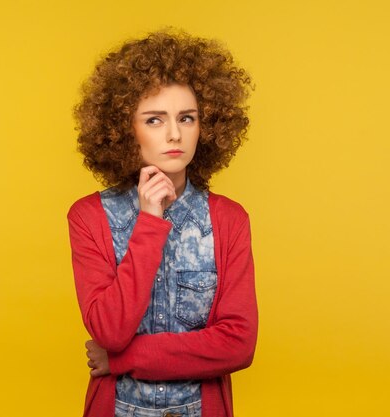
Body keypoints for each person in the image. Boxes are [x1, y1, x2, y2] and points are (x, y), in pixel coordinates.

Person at [67, 29, 258, 417]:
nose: (175, 134)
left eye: (187, 118)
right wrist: (149, 221)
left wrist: (119, 360)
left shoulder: (228, 220)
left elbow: (238, 344)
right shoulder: (88, 217)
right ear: (124, 128)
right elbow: (109, 330)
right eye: (154, 120)